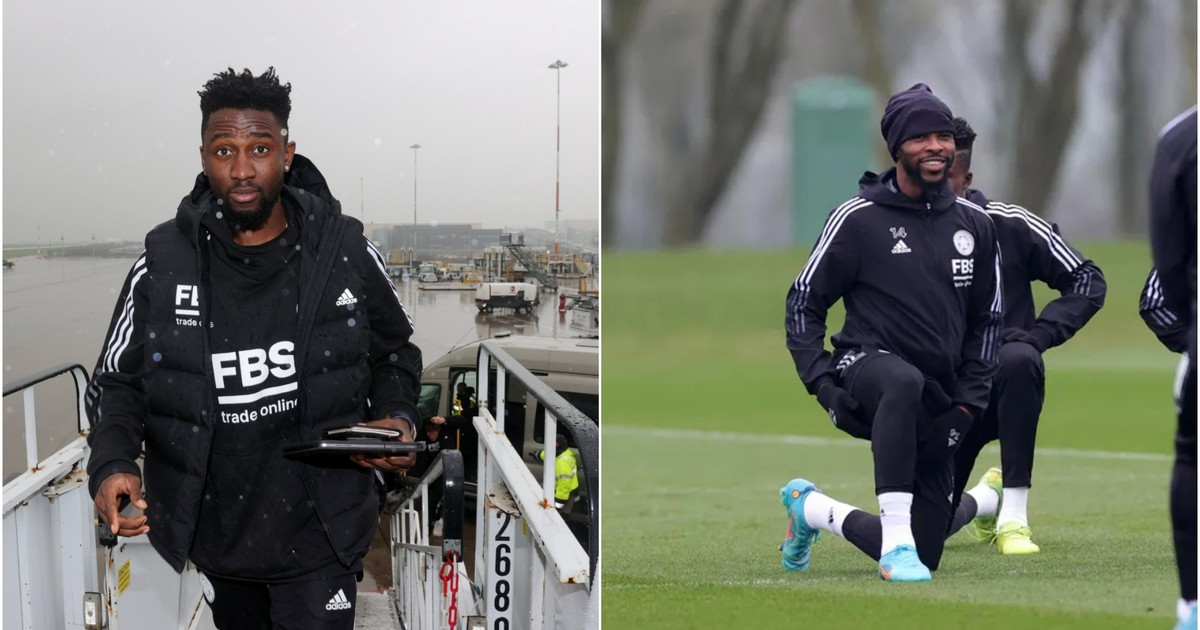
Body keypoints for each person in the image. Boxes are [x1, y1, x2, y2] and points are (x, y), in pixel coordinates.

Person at [85, 67, 423, 629]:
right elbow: (118, 383)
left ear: (287, 154)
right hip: (220, 535)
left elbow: (395, 354)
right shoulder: (163, 263)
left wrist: (398, 419)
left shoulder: (346, 249)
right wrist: (113, 463)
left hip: (322, 532)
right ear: (203, 157)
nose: (242, 169)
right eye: (224, 150)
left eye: (259, 148)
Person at [781, 84, 1002, 582]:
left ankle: (812, 509)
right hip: (868, 368)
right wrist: (820, 382)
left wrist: (968, 406)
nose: (936, 147)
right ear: (897, 147)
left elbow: (989, 321)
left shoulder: (975, 224)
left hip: (942, 395)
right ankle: (897, 543)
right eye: (921, 136)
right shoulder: (857, 219)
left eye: (943, 135)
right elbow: (803, 303)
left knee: (929, 552)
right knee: (903, 381)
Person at [940, 116, 1107, 554]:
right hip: (940, 402)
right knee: (923, 534)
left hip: (999, 390)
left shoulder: (1008, 224)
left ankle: (1014, 515)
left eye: (947, 178)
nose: (936, 191)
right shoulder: (898, 233)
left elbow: (1087, 280)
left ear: (966, 178)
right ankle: (986, 499)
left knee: (1017, 359)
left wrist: (1038, 336)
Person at [1146, 105, 1196, 630]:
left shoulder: (1182, 137)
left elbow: (1168, 264)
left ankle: (1193, 603)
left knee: (1193, 457)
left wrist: (1193, 330)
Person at [532, 435, 580, 510]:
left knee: (561, 518)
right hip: (570, 489)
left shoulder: (562, 462)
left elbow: (564, 484)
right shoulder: (564, 452)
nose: (550, 446)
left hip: (567, 494)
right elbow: (549, 454)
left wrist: (558, 503)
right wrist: (537, 455)